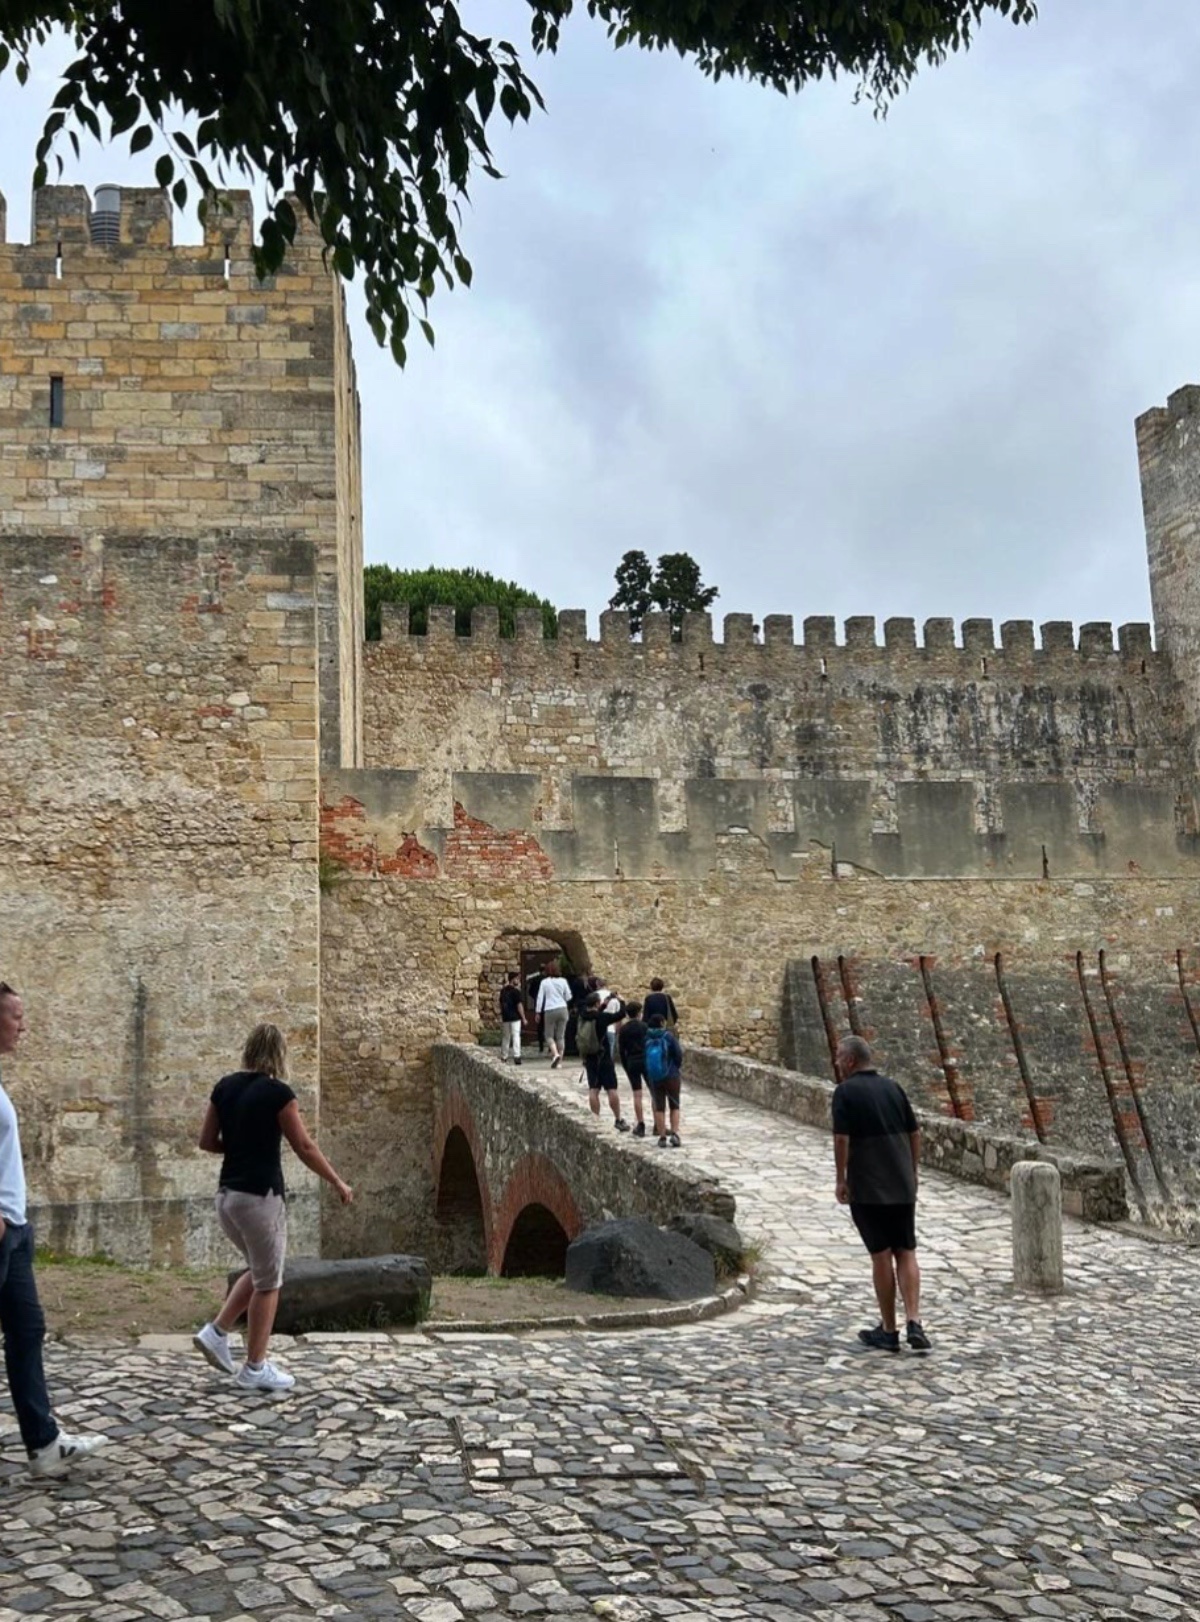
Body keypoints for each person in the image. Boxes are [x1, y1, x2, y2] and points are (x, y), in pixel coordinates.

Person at [194, 1022, 354, 1391]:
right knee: (270, 1282)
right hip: (260, 1198)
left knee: (258, 1268)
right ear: (279, 1053)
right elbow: (304, 1147)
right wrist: (337, 1182)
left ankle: (217, 1331)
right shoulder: (278, 1094)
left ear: (249, 1050)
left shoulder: (225, 1087)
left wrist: (237, 1148)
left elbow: (206, 1141)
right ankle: (254, 1367)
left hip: (227, 1198)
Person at [0, 981, 110, 1478]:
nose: (23, 1026)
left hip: (15, 1229)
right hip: (1, 1228)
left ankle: (44, 1444)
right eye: (16, 1016)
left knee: (28, 1329)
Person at [832, 1033, 931, 1352]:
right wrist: (912, 1171)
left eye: (838, 1057)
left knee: (881, 1255)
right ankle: (915, 1320)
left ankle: (889, 1329)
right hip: (902, 1183)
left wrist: (841, 1178)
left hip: (869, 1186)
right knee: (906, 1249)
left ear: (849, 1060)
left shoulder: (845, 1093)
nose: (836, 1062)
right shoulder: (894, 1088)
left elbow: (841, 1140)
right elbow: (915, 1133)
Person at [576, 993, 629, 1131]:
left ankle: (596, 1119)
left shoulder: (582, 1016)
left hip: (589, 1057)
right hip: (603, 1056)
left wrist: (604, 1003)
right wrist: (621, 1001)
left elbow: (594, 1014)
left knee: (594, 1089)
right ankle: (618, 1119)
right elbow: (621, 1014)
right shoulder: (602, 1017)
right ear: (597, 1004)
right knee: (611, 1088)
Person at [643, 1013, 683, 1147]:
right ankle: (675, 1134)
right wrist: (675, 1068)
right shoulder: (668, 1037)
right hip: (671, 1075)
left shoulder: (647, 1037)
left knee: (659, 1107)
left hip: (655, 1077)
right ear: (661, 1023)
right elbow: (678, 1055)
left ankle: (662, 1137)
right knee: (674, 1105)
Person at [616, 998, 649, 1138]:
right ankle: (658, 1126)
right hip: (645, 1060)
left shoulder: (623, 1030)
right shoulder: (645, 1027)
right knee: (654, 1093)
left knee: (637, 1094)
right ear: (639, 1013)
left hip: (632, 1061)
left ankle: (640, 1124)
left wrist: (625, 1065)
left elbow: (621, 1050)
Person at [535, 962, 572, 1068]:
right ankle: (560, 1062)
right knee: (561, 1036)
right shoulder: (563, 981)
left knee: (548, 1035)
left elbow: (540, 998)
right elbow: (569, 996)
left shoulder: (544, 982)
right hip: (563, 1009)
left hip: (550, 1009)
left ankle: (555, 1054)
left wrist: (538, 1012)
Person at [498, 972, 525, 1065]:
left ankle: (504, 1056)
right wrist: (524, 1018)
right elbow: (519, 1006)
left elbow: (500, 1004)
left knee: (506, 1037)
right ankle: (517, 1056)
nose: (518, 981)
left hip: (506, 1017)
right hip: (515, 1017)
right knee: (516, 1036)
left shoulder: (503, 991)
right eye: (517, 979)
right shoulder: (516, 992)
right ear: (513, 979)